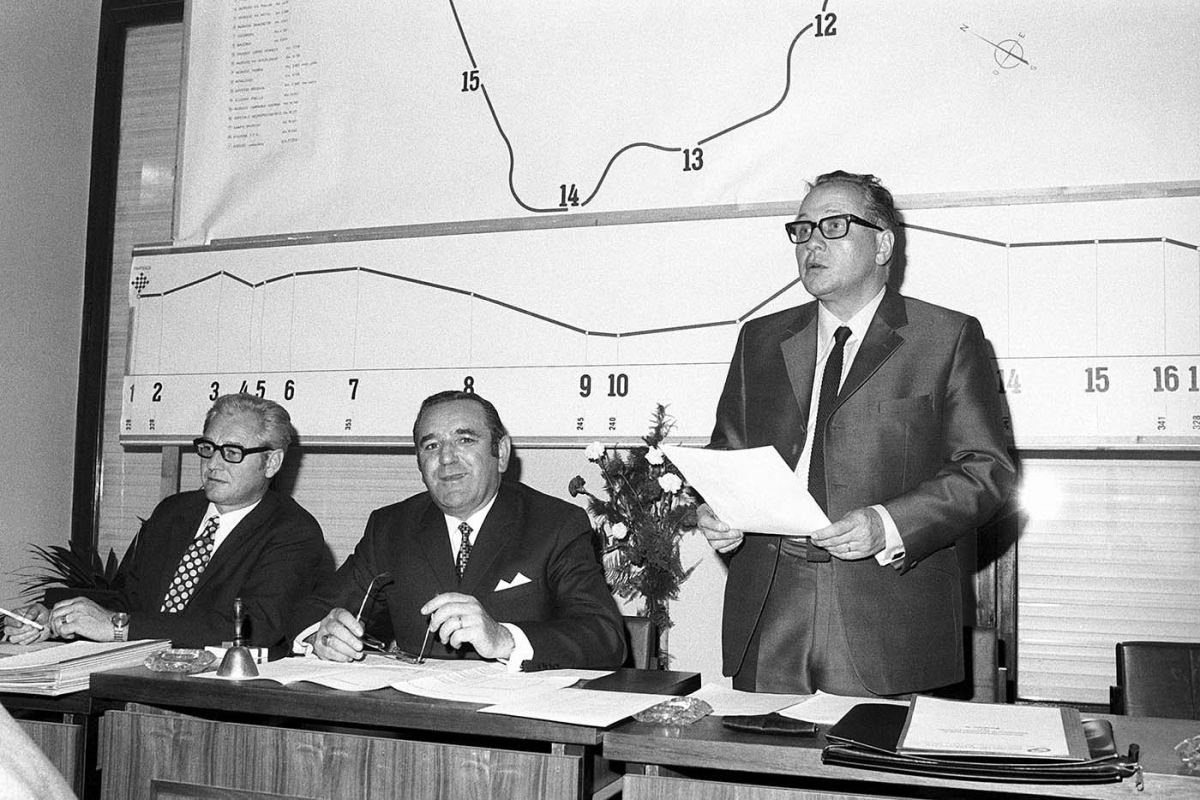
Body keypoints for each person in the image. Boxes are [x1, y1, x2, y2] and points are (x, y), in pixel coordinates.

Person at [697, 170, 1016, 697]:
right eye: (802, 230)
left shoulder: (947, 338)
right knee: (763, 774)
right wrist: (715, 511)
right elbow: (726, 454)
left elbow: (988, 472)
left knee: (866, 777)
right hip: (771, 605)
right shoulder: (760, 339)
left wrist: (887, 523)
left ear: (883, 243)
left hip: (887, 612)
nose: (812, 243)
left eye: (835, 226)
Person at [293, 390, 625, 670]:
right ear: (419, 462)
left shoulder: (555, 524)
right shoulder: (391, 527)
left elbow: (605, 637)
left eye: (464, 439)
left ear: (502, 453)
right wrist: (320, 635)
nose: (447, 458)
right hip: (411, 726)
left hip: (519, 730)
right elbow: (311, 611)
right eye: (431, 446)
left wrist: (503, 638)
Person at [3, 394, 329, 651]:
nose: (213, 464)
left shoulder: (294, 531)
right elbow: (128, 600)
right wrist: (58, 615)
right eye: (208, 448)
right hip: (137, 676)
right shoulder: (173, 512)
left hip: (223, 699)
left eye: (231, 452)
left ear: (271, 462)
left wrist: (118, 627)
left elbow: (251, 627)